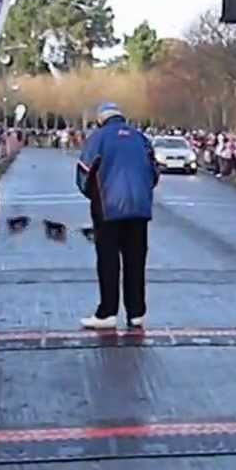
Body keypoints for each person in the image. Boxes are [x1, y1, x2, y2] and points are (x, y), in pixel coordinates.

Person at [76, 103, 158, 330]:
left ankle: (107, 312)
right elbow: (154, 171)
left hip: (108, 206)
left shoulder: (98, 138)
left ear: (101, 119)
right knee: (136, 261)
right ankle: (136, 312)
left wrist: (92, 195)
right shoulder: (141, 138)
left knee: (108, 260)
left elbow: (84, 171)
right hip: (140, 208)